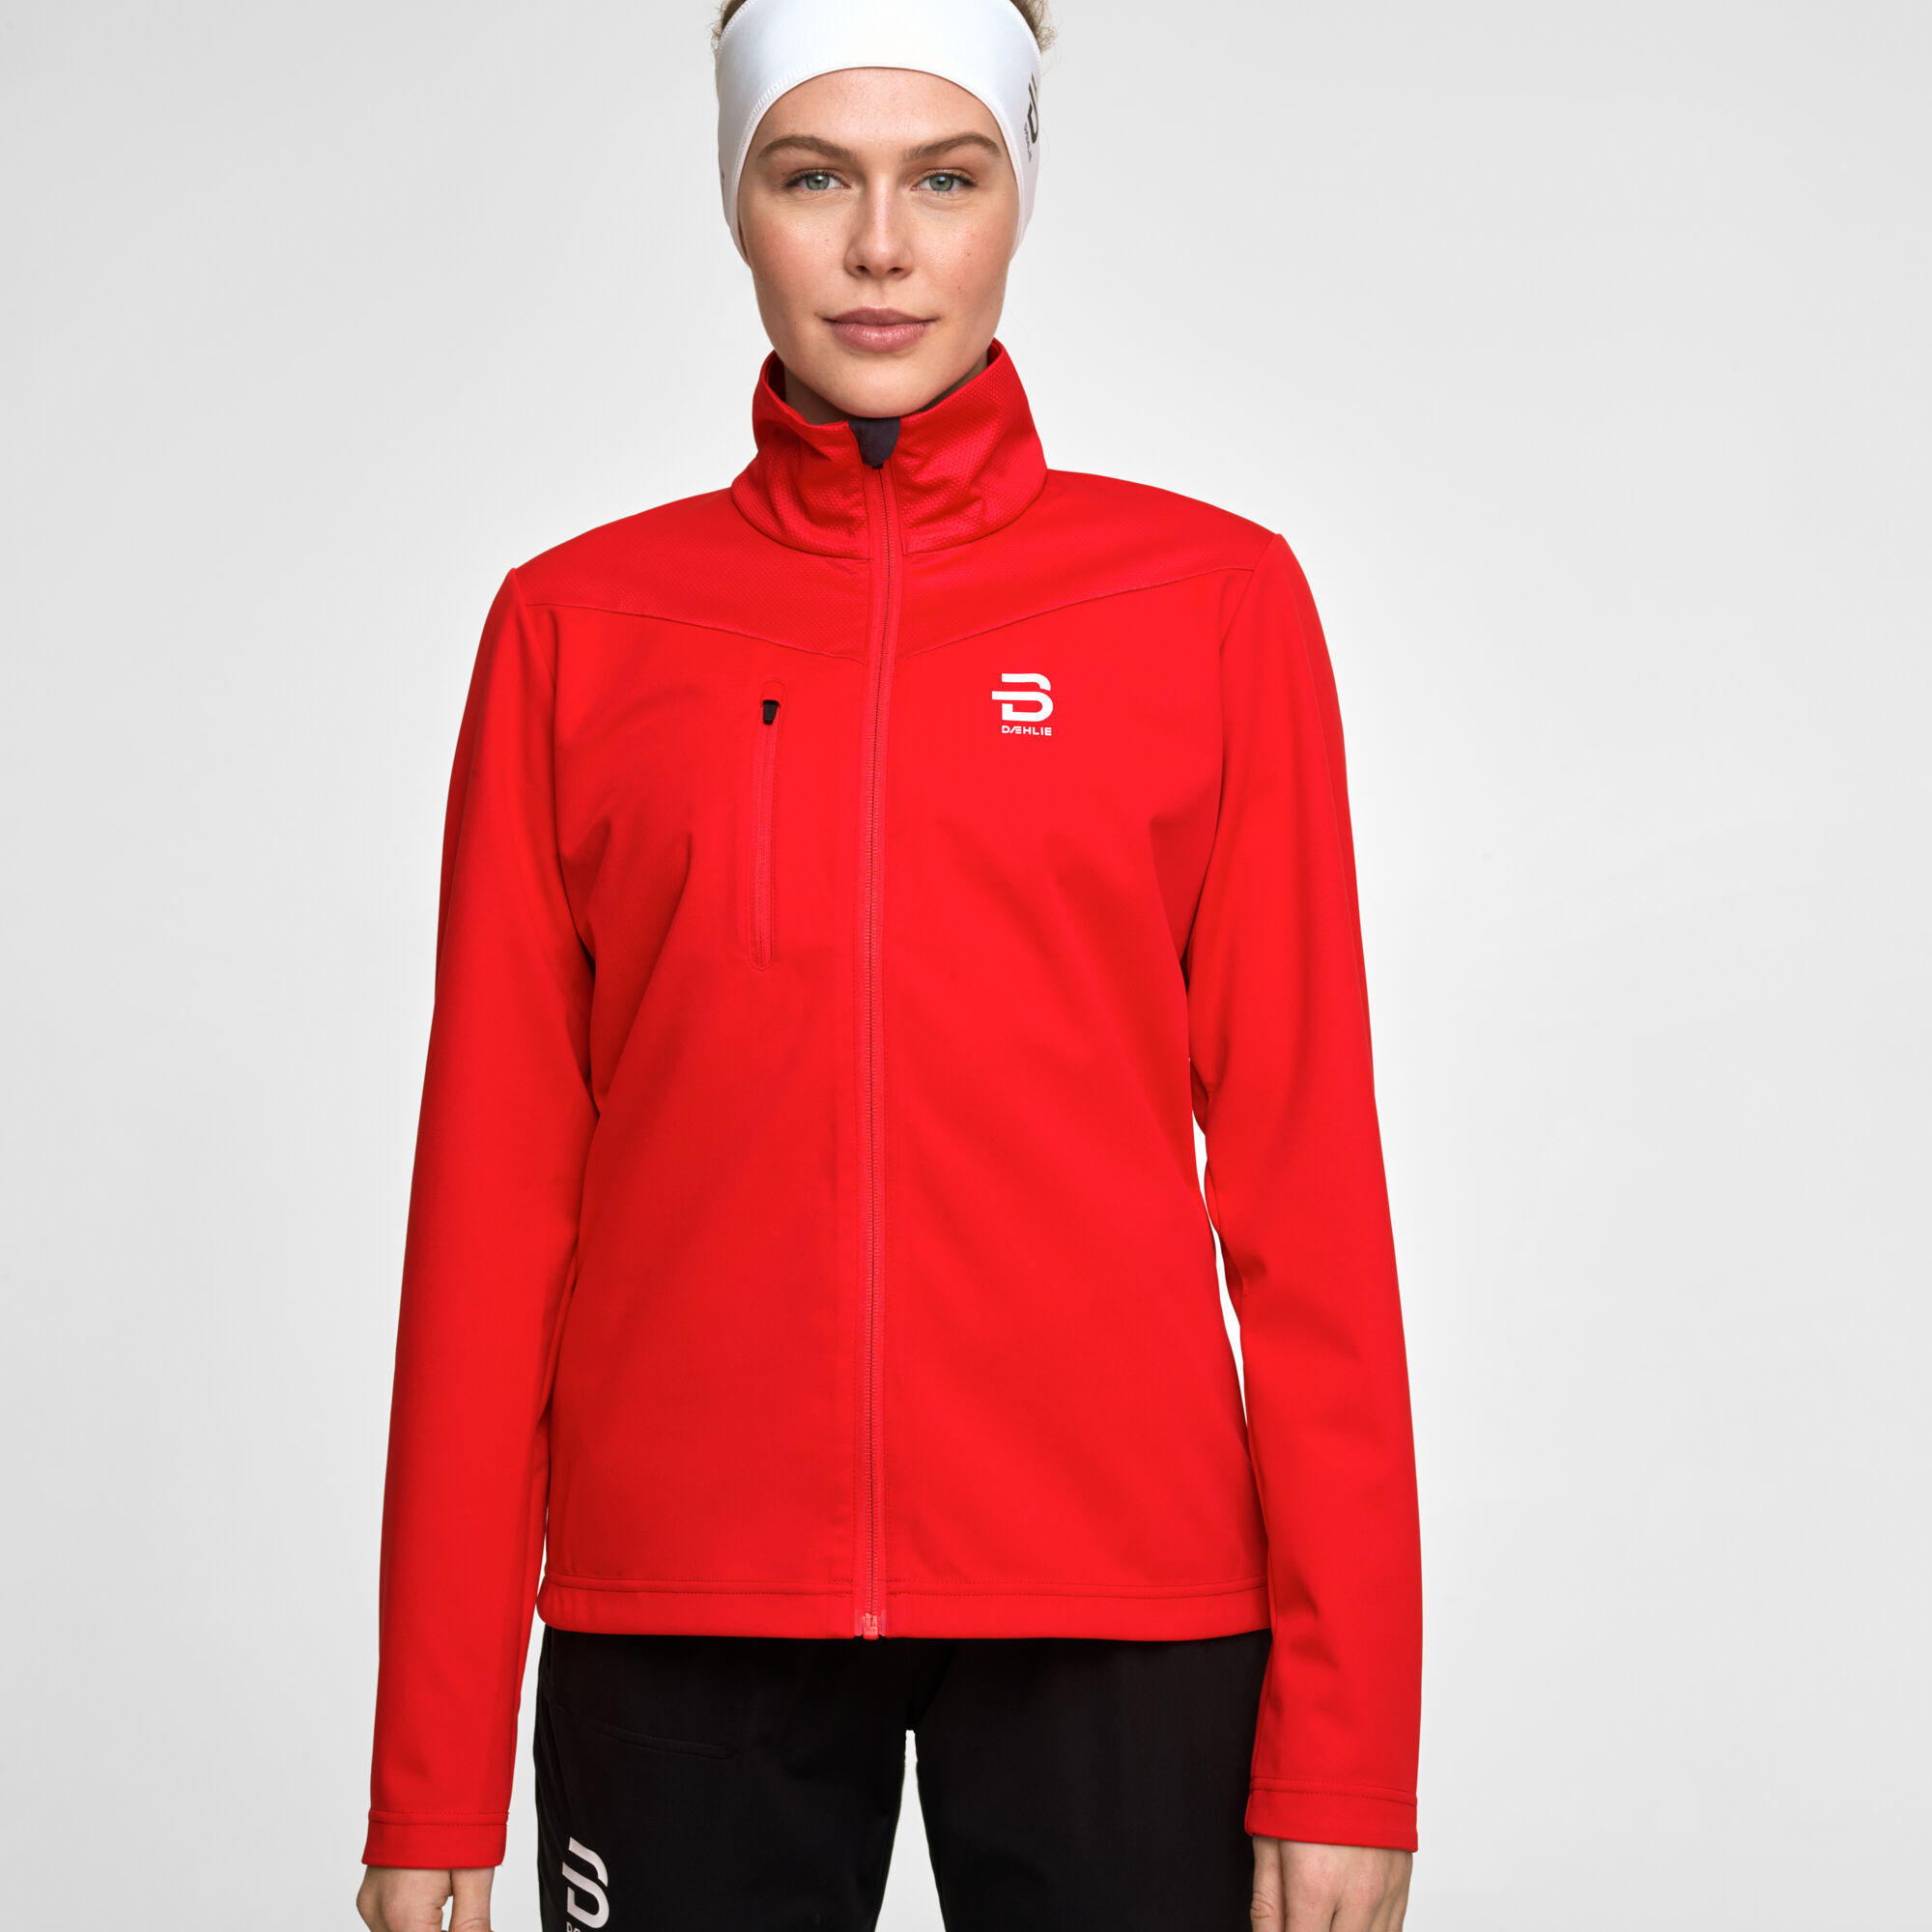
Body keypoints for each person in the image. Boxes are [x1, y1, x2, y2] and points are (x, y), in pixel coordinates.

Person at [355, 1, 1423, 1927]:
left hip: (1126, 1609)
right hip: (680, 1613)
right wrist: (428, 1782)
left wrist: (1349, 1750)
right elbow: (486, 1224)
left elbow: (1312, 1209)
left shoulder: (1208, 606)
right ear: (736, 202)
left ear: (1018, 199)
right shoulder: (577, 632)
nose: (878, 247)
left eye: (944, 178)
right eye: (811, 176)